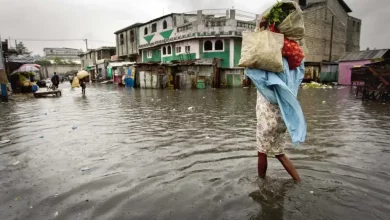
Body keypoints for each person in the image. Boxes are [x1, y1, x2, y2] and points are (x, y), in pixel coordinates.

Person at [256, 92, 301, 182]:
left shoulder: (264, 78)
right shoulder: (287, 79)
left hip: (266, 118)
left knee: (262, 152)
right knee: (280, 153)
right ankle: (298, 180)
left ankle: (261, 182)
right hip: (280, 118)